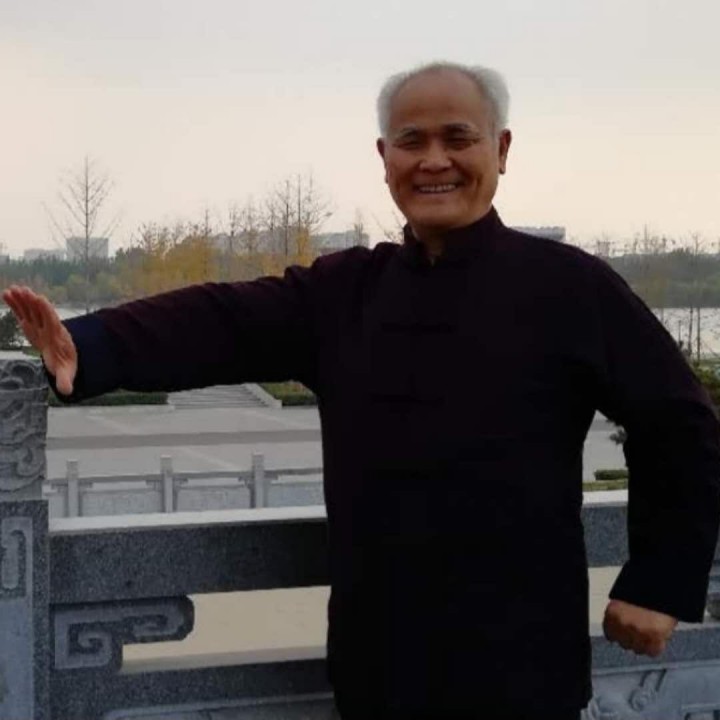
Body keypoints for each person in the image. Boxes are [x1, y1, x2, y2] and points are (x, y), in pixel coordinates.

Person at [5, 61, 720, 720]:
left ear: (501, 150)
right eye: (412, 141)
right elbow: (221, 321)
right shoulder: (346, 292)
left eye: (457, 138)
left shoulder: (570, 287)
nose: (434, 160)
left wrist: (659, 579)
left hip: (525, 671)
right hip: (378, 667)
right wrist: (90, 347)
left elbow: (679, 424)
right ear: (385, 159)